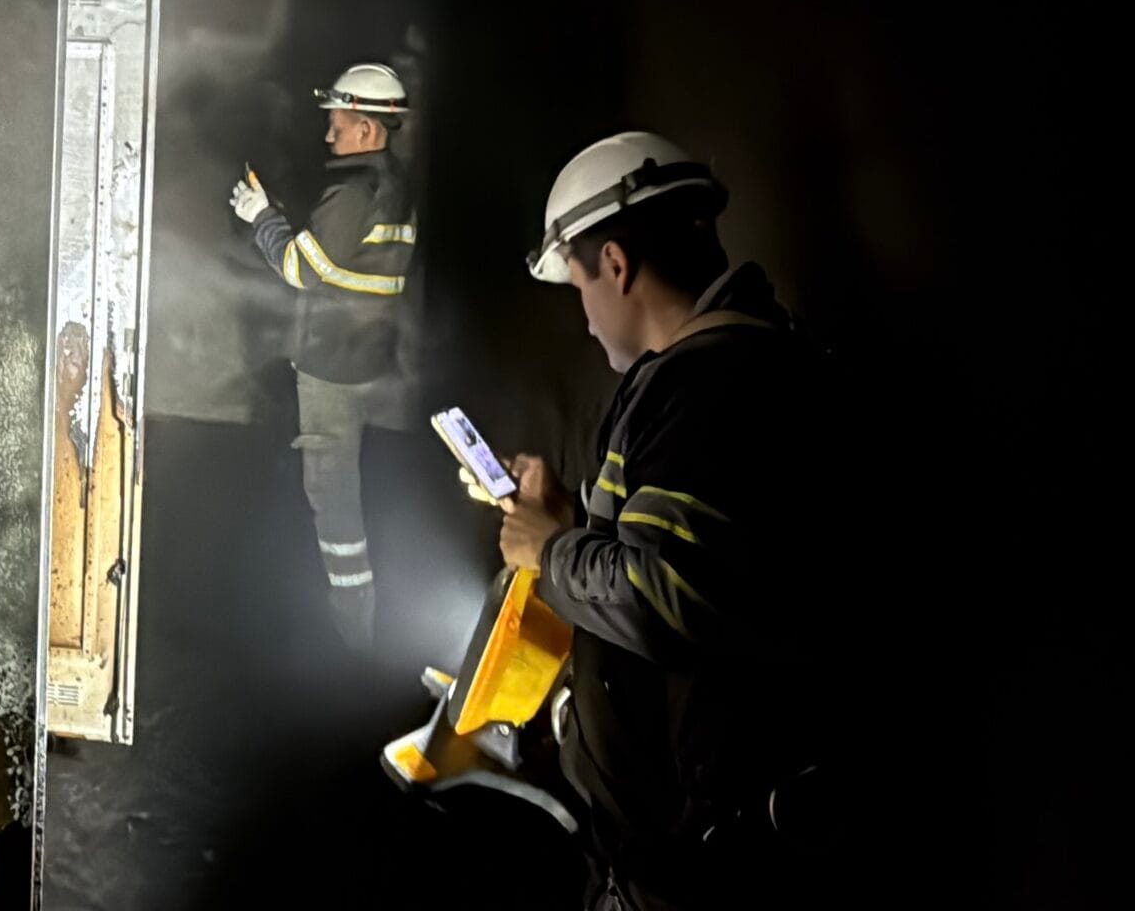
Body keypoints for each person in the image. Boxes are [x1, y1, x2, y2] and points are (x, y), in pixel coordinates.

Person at [495, 131, 833, 909]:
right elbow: (688, 548)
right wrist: (569, 518)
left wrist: (551, 552)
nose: (582, 317)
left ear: (615, 263)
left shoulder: (709, 382)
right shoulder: (713, 369)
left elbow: (664, 597)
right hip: (666, 846)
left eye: (578, 286)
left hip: (705, 865)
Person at [229, 62, 416, 651]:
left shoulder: (354, 191)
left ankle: (351, 634)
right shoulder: (392, 185)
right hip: (364, 358)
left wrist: (260, 219)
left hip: (333, 367)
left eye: (337, 123)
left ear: (367, 129)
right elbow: (341, 262)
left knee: (331, 495)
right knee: (346, 484)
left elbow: (302, 269)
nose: (329, 133)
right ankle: (360, 618)